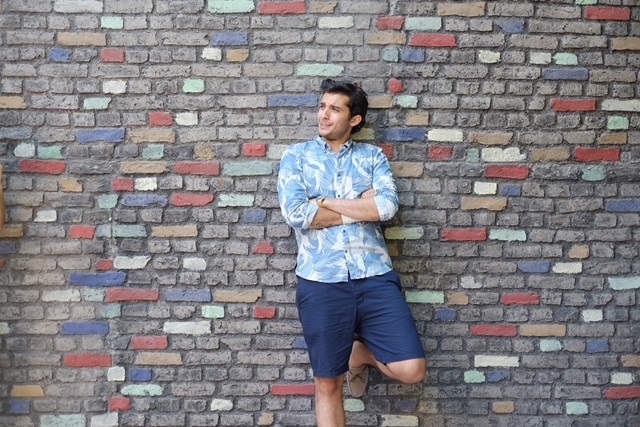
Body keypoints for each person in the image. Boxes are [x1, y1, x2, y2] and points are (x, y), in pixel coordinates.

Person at [277, 79, 426, 426]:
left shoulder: (371, 157)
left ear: (354, 119)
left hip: (375, 277)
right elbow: (296, 214)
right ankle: (351, 354)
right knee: (327, 383)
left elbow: (386, 207)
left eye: (334, 109)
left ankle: (359, 353)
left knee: (412, 369)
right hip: (321, 282)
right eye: (322, 106)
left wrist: (324, 201)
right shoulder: (296, 156)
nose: (323, 115)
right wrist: (360, 206)